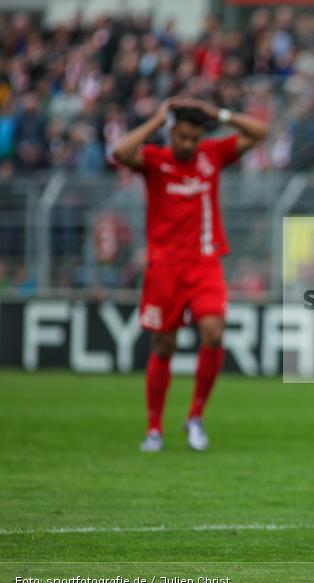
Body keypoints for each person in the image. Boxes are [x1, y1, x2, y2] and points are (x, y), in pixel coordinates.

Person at [113, 98, 268, 452]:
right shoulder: (154, 159)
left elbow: (261, 133)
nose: (186, 144)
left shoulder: (211, 155)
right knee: (164, 344)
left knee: (213, 332)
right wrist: (156, 117)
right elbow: (121, 152)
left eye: (193, 138)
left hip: (204, 263)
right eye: (181, 137)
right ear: (171, 133)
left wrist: (222, 114)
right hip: (163, 267)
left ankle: (195, 416)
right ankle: (154, 428)